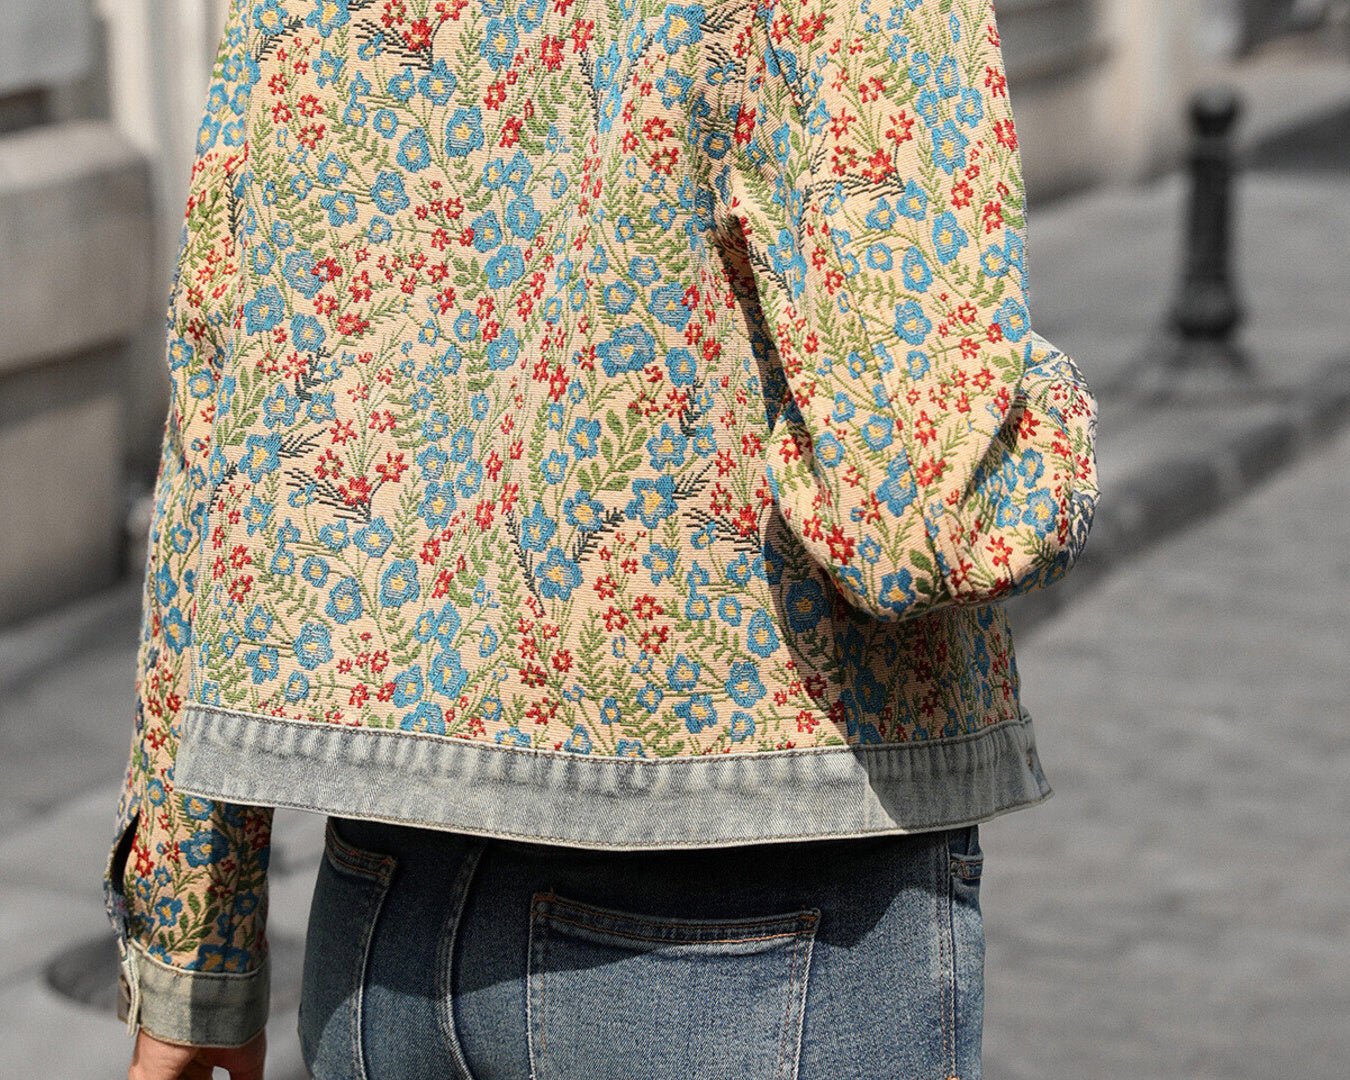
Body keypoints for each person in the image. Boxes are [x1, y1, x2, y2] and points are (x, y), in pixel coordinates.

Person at [108, 0, 1098, 1076]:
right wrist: (1032, 414)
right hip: (748, 903)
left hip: (381, 915)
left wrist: (193, 928)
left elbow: (223, 380)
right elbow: (921, 514)